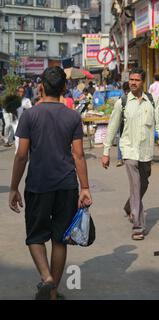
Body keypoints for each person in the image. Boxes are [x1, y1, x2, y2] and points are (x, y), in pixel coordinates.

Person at [8, 66, 92, 300]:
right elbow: (78, 155)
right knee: (59, 238)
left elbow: (22, 155)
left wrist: (14, 187)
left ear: (41, 86)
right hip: (66, 185)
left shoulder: (30, 115)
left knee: (35, 236)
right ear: (65, 89)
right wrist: (84, 187)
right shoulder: (73, 116)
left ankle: (46, 278)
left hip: (38, 185)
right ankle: (53, 293)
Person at [102, 68, 159, 241]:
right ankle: (138, 225)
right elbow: (112, 126)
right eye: (131, 79)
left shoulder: (153, 101)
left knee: (143, 183)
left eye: (136, 80)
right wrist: (106, 151)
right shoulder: (122, 102)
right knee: (136, 184)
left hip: (146, 152)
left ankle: (129, 206)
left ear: (143, 82)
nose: (133, 82)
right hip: (129, 150)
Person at [116, 81, 130, 167]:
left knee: (122, 140)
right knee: (122, 140)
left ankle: (121, 159)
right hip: (123, 123)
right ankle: (120, 158)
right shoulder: (122, 98)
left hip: (124, 122)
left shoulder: (121, 98)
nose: (127, 92)